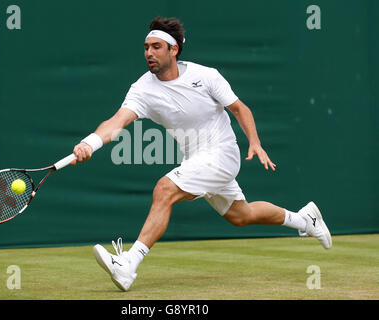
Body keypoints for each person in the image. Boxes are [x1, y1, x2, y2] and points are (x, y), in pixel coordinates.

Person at [71, 16, 332, 291]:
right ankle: (306, 219)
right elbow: (116, 122)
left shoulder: (206, 76)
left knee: (164, 189)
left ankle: (128, 265)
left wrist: (254, 142)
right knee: (241, 215)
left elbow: (240, 109)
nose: (149, 53)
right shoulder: (142, 89)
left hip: (222, 154)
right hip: (196, 160)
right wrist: (91, 143)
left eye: (156, 47)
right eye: (146, 47)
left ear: (174, 49)